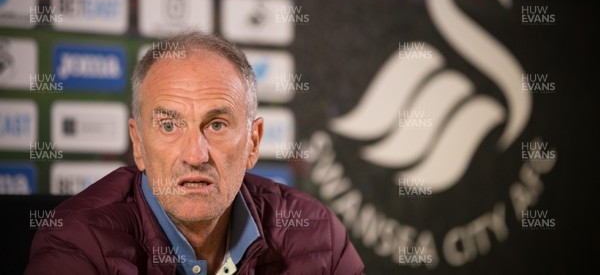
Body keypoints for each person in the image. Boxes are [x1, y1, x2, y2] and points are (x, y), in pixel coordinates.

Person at [25, 31, 365, 275]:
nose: (195, 154)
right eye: (170, 126)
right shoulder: (78, 243)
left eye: (216, 125)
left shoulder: (318, 235)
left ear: (254, 142)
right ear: (138, 145)